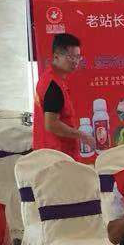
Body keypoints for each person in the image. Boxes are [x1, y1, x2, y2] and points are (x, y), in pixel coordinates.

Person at [34, 32, 88, 160]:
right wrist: (82, 135)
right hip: (57, 156)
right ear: (56, 57)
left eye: (78, 57)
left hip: (53, 153)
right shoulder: (53, 85)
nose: (75, 61)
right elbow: (51, 124)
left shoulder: (52, 79)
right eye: (71, 57)